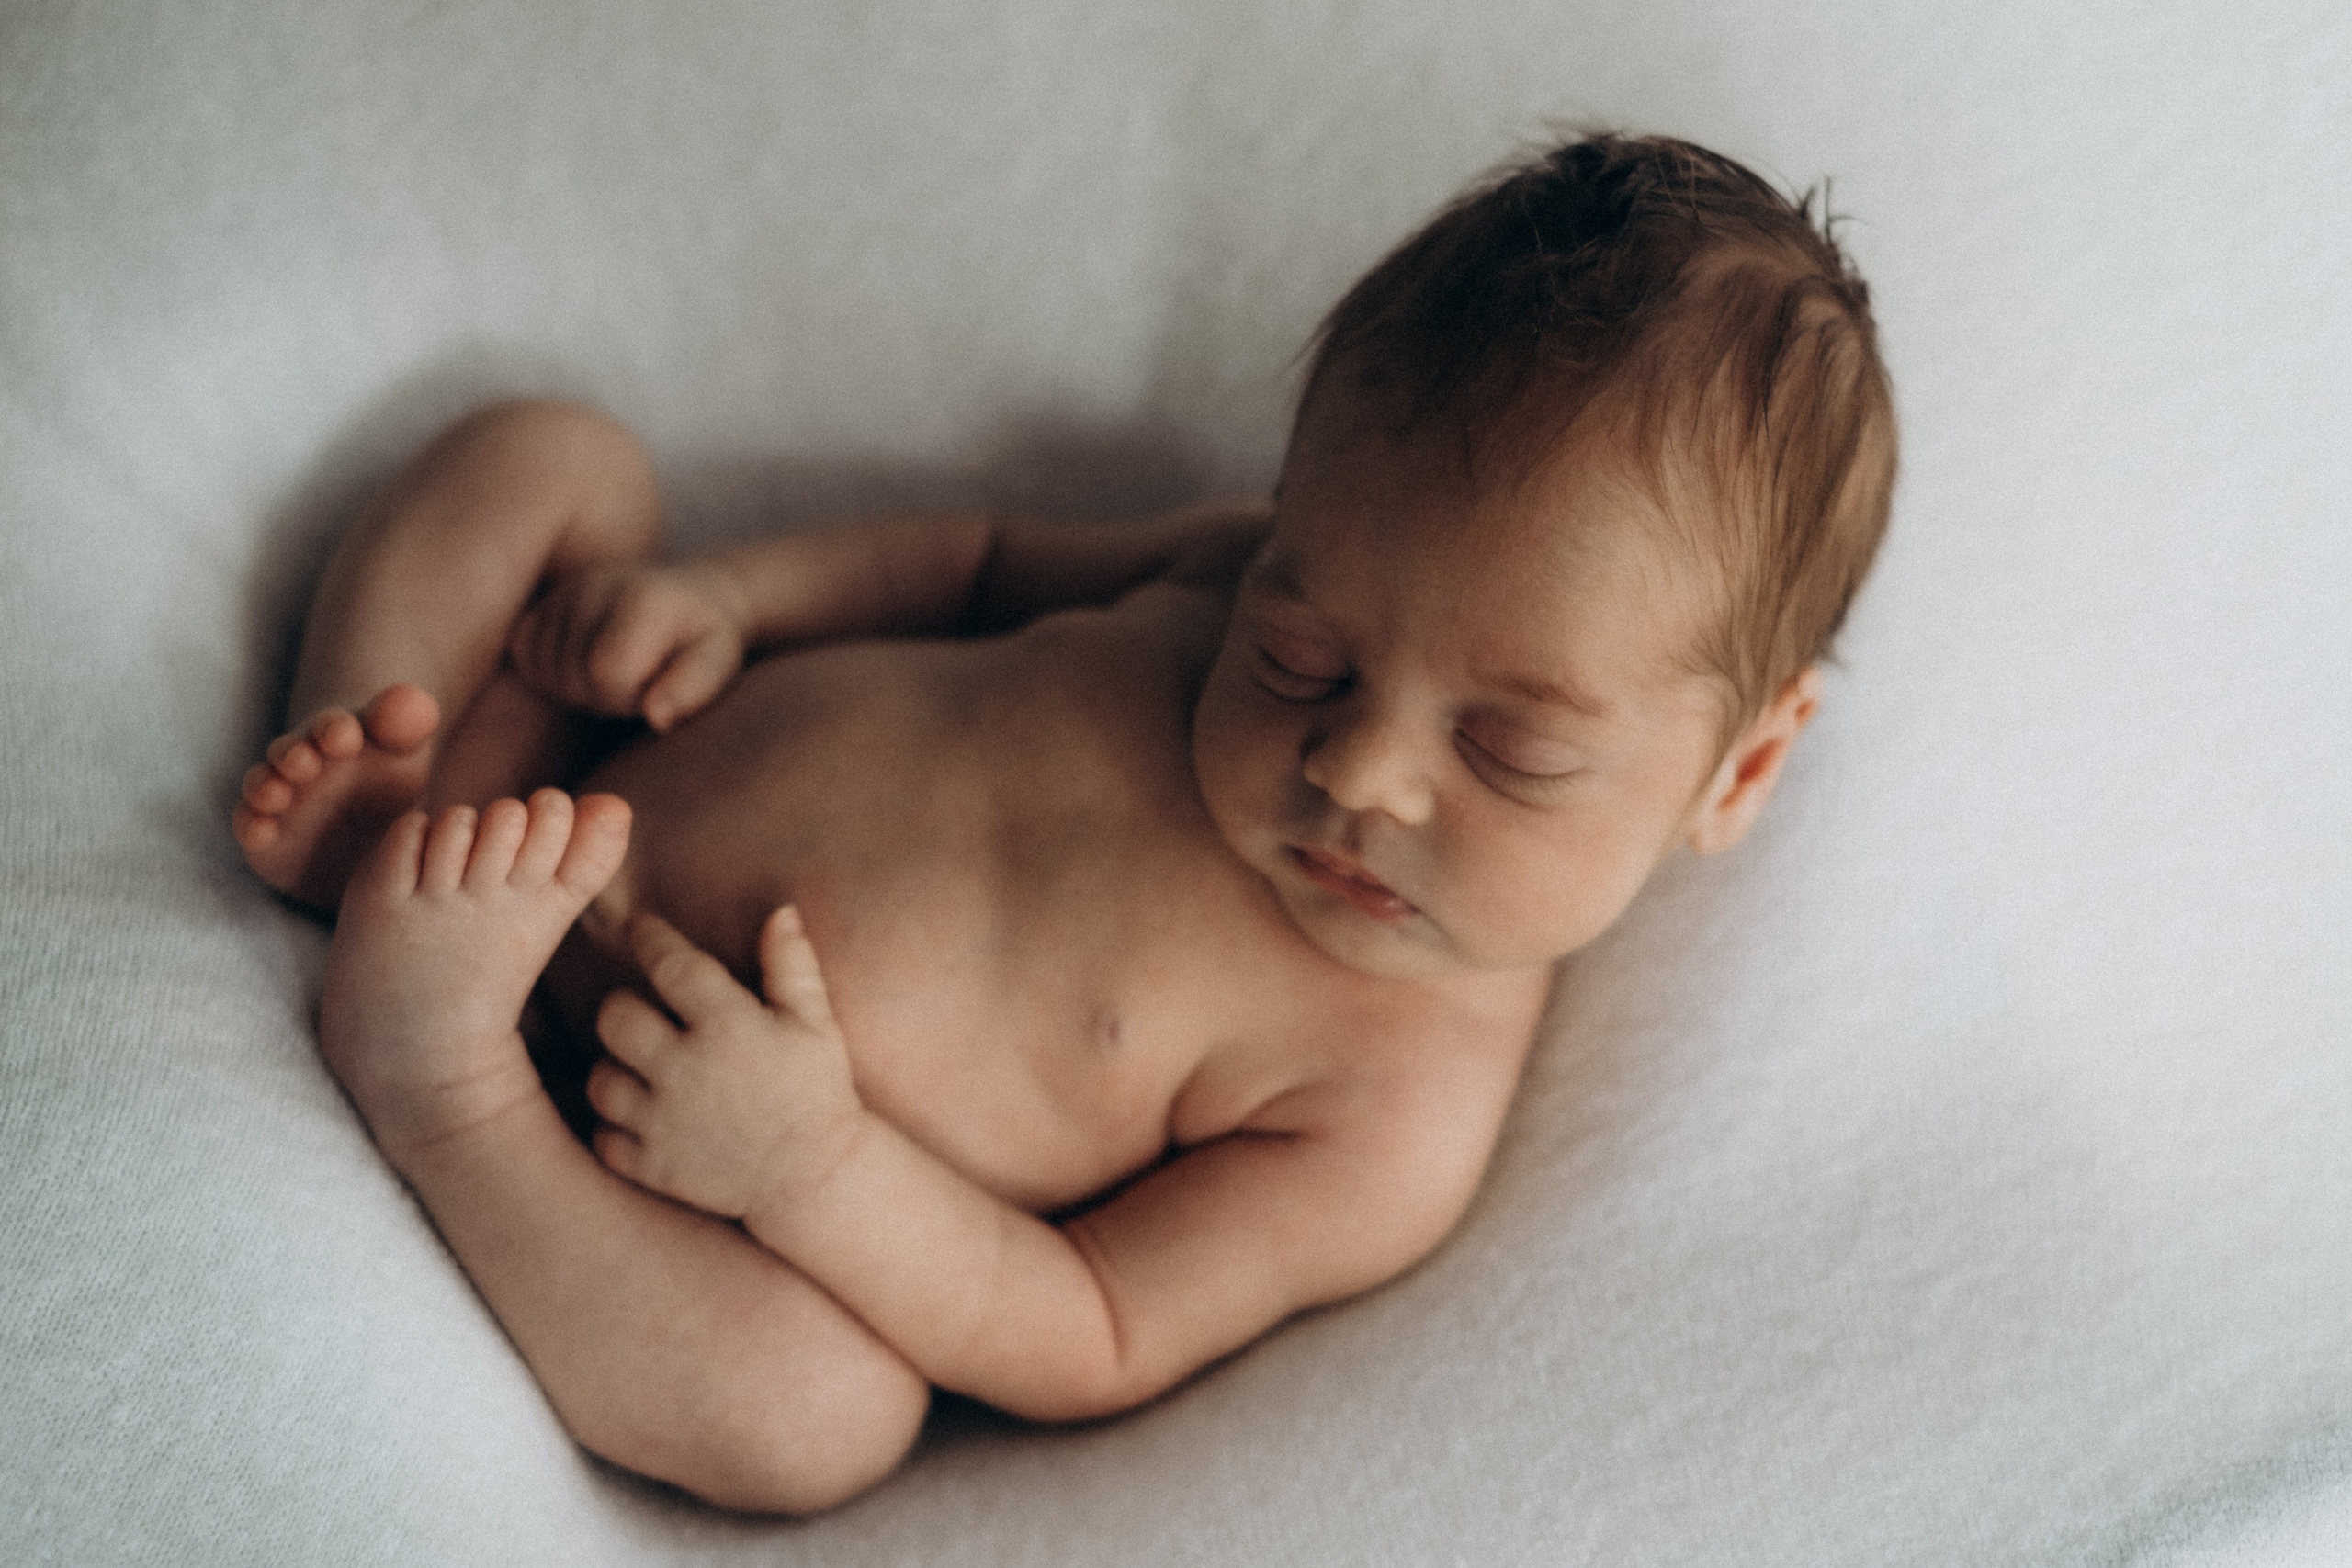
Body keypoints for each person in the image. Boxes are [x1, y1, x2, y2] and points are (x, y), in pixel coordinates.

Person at [232, 132, 1895, 1513]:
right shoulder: (1224, 554)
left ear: (1737, 773)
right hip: (555, 771)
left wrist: (811, 1170)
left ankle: (438, 1080)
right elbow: (973, 565)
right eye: (1297, 655)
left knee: (816, 1421)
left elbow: (1094, 1326)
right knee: (555, 455)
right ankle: (378, 763)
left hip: (655, 1174)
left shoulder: (1398, 1107)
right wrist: (730, 597)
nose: (1359, 770)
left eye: (1514, 752)